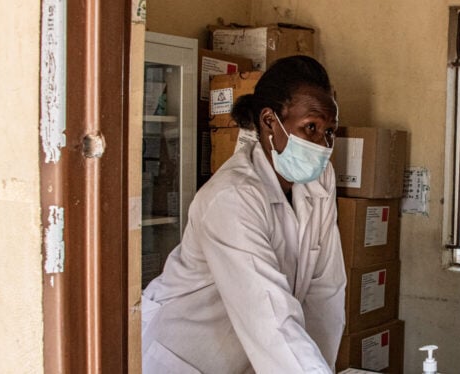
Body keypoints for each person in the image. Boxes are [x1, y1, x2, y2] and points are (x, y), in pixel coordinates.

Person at [141, 55, 345, 374]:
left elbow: (325, 292)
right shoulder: (231, 198)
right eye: (311, 128)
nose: (323, 144)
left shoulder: (320, 179)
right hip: (181, 355)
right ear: (269, 122)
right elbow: (267, 314)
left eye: (329, 132)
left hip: (244, 353)